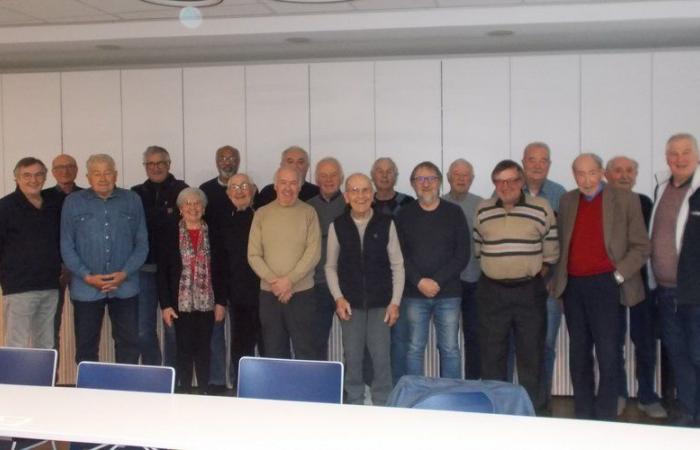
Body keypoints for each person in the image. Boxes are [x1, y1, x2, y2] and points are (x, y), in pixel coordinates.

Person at [553, 153, 650, 420]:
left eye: (592, 173)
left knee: (608, 351)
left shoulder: (626, 200)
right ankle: (583, 412)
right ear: (574, 175)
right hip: (574, 286)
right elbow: (563, 245)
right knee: (579, 351)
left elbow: (642, 246)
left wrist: (618, 276)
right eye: (580, 174)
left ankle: (605, 414)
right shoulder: (567, 200)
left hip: (607, 284)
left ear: (601, 173)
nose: (586, 179)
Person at [473, 159, 558, 411]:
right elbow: (479, 250)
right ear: (494, 184)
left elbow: (551, 253)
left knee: (531, 354)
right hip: (492, 291)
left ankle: (533, 411)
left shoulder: (542, 207)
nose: (506, 185)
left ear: (521, 182)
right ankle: (496, 410)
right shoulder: (483, 209)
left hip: (528, 292)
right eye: (500, 181)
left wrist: (529, 273)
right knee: (492, 355)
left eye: (511, 180)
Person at [325, 173, 405, 405]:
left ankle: (383, 405)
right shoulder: (337, 226)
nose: (360, 195)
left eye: (365, 190)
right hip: (350, 306)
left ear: (372, 195)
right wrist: (338, 299)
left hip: (381, 305)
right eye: (354, 191)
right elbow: (330, 267)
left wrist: (395, 302)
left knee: (381, 360)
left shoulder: (386, 223)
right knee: (353, 358)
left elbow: (398, 265)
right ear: (347, 196)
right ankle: (354, 404)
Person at [60, 153, 148, 364]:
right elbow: (66, 246)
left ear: (115, 174)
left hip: (125, 286)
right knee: (86, 346)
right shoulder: (73, 202)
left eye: (107, 172)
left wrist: (124, 273)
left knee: (128, 343)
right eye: (96, 173)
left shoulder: (132, 200)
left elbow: (142, 244)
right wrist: (87, 276)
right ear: (88, 177)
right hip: (85, 287)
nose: (102, 178)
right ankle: (88, 395)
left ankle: (125, 393)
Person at [605, 155, 667, 419]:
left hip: (641, 282)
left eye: (630, 170)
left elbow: (649, 242)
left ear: (636, 174)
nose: (624, 175)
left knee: (644, 341)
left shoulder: (645, 202)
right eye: (618, 170)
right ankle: (617, 392)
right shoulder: (600, 203)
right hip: (607, 283)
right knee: (612, 341)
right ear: (607, 174)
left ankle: (646, 395)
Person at [396, 161, 469, 379]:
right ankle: (416, 397)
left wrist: (437, 281)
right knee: (414, 349)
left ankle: (451, 398)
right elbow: (399, 256)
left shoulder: (454, 213)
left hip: (448, 293)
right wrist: (419, 281)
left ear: (439, 182)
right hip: (413, 294)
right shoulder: (404, 215)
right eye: (420, 179)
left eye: (431, 179)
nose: (426, 184)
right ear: (413, 184)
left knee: (449, 349)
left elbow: (462, 254)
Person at [649, 133, 700, 426]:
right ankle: (688, 412)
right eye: (673, 153)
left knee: (697, 355)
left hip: (695, 295)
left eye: (685, 153)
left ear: (696, 156)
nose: (679, 159)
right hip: (666, 292)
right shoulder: (661, 188)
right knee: (678, 355)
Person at [248, 166, 322, 360]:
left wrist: (289, 281)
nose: (288, 187)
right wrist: (276, 283)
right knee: (274, 351)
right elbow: (253, 255)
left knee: (306, 350)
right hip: (269, 294)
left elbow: (313, 252)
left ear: (299, 187)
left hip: (302, 294)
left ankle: (305, 391)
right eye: (283, 182)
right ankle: (278, 392)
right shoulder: (262, 214)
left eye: (293, 183)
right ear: (275, 185)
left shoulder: (309, 213)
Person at [157, 187, 225, 393]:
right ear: (180, 209)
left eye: (197, 204)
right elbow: (162, 273)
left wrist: (221, 302)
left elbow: (222, 270)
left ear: (204, 208)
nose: (193, 208)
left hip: (207, 303)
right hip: (180, 304)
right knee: (182, 351)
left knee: (205, 351)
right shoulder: (169, 234)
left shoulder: (214, 233)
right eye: (188, 204)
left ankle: (204, 391)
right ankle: (184, 392)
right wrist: (165, 305)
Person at [519, 142, 567, 410]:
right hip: (516, 286)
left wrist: (559, 283)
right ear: (523, 161)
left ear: (549, 164)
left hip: (549, 286)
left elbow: (567, 241)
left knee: (546, 344)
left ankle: (541, 402)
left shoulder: (560, 194)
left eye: (543, 160)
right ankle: (519, 400)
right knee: (517, 344)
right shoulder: (508, 189)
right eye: (532, 159)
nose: (537, 165)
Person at [131, 145, 187, 367]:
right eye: (151, 164)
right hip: (143, 270)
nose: (156, 168)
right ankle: (154, 374)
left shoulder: (182, 191)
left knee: (173, 328)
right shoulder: (135, 194)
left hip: (175, 272)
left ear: (169, 164)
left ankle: (173, 375)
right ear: (145, 167)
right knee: (143, 330)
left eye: (160, 163)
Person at [0, 157, 61, 349]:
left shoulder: (53, 205)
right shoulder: (5, 207)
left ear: (45, 177)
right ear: (16, 178)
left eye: (38, 175)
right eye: (27, 175)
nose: (33, 180)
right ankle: (12, 381)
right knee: (16, 345)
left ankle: (42, 381)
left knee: (45, 345)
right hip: (19, 288)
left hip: (50, 286)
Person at [212, 173, 261, 387]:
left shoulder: (263, 217)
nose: (240, 190)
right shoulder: (222, 223)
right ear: (227, 193)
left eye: (244, 186)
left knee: (269, 343)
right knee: (241, 345)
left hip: (265, 292)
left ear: (252, 190)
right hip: (237, 295)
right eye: (234, 187)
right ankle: (242, 386)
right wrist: (220, 300)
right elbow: (219, 264)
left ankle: (269, 389)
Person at [371, 156, 415, 384]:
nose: (385, 175)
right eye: (380, 171)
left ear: (396, 176)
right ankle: (375, 388)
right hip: (372, 284)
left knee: (399, 341)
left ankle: (398, 388)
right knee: (373, 342)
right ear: (373, 176)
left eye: (390, 171)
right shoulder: (363, 203)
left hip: (402, 283)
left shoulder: (409, 204)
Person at [200, 145, 240, 393]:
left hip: (241, 272)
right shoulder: (206, 191)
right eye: (222, 158)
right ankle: (215, 381)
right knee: (215, 327)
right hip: (211, 269)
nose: (227, 162)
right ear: (216, 162)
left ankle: (237, 380)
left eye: (232, 158)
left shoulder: (247, 188)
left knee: (241, 331)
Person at [442, 158, 483, 380]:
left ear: (472, 179)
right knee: (447, 341)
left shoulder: (483, 205)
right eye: (456, 174)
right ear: (448, 177)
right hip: (446, 283)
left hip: (474, 281)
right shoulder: (438, 203)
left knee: (474, 335)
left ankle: (473, 382)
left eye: (465, 174)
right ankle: (449, 385)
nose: (460, 178)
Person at [42, 153, 83, 355]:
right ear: (52, 172)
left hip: (83, 269)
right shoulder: (42, 198)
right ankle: (52, 379)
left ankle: (84, 376)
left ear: (77, 170)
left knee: (85, 326)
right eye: (59, 167)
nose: (65, 171)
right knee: (50, 328)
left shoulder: (88, 196)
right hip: (53, 270)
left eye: (69, 166)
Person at [307, 157, 347, 359]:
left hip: (348, 286)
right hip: (318, 285)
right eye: (324, 175)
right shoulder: (307, 208)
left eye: (333, 175)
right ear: (316, 179)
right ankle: (317, 388)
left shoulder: (352, 204)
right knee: (316, 342)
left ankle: (352, 389)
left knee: (353, 343)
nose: (329, 179)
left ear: (341, 178)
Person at [254, 146, 320, 208]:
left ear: (307, 166)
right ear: (281, 165)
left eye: (300, 162)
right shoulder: (267, 193)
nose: (295, 166)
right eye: (290, 162)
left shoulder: (317, 193)